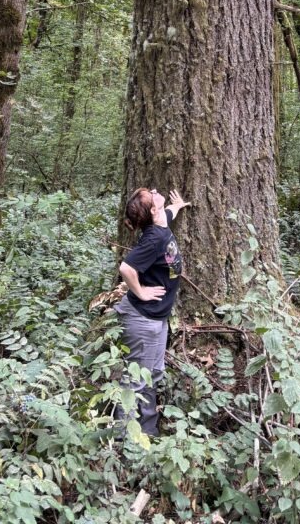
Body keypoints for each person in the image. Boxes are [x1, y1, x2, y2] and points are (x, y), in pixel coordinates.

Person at [114, 187, 190, 437]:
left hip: (156, 318)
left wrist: (177, 206)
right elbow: (126, 268)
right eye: (152, 195)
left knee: (153, 374)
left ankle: (146, 433)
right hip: (142, 319)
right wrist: (141, 292)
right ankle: (126, 438)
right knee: (136, 380)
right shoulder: (154, 239)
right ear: (153, 210)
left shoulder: (160, 221)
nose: (156, 191)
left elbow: (168, 214)